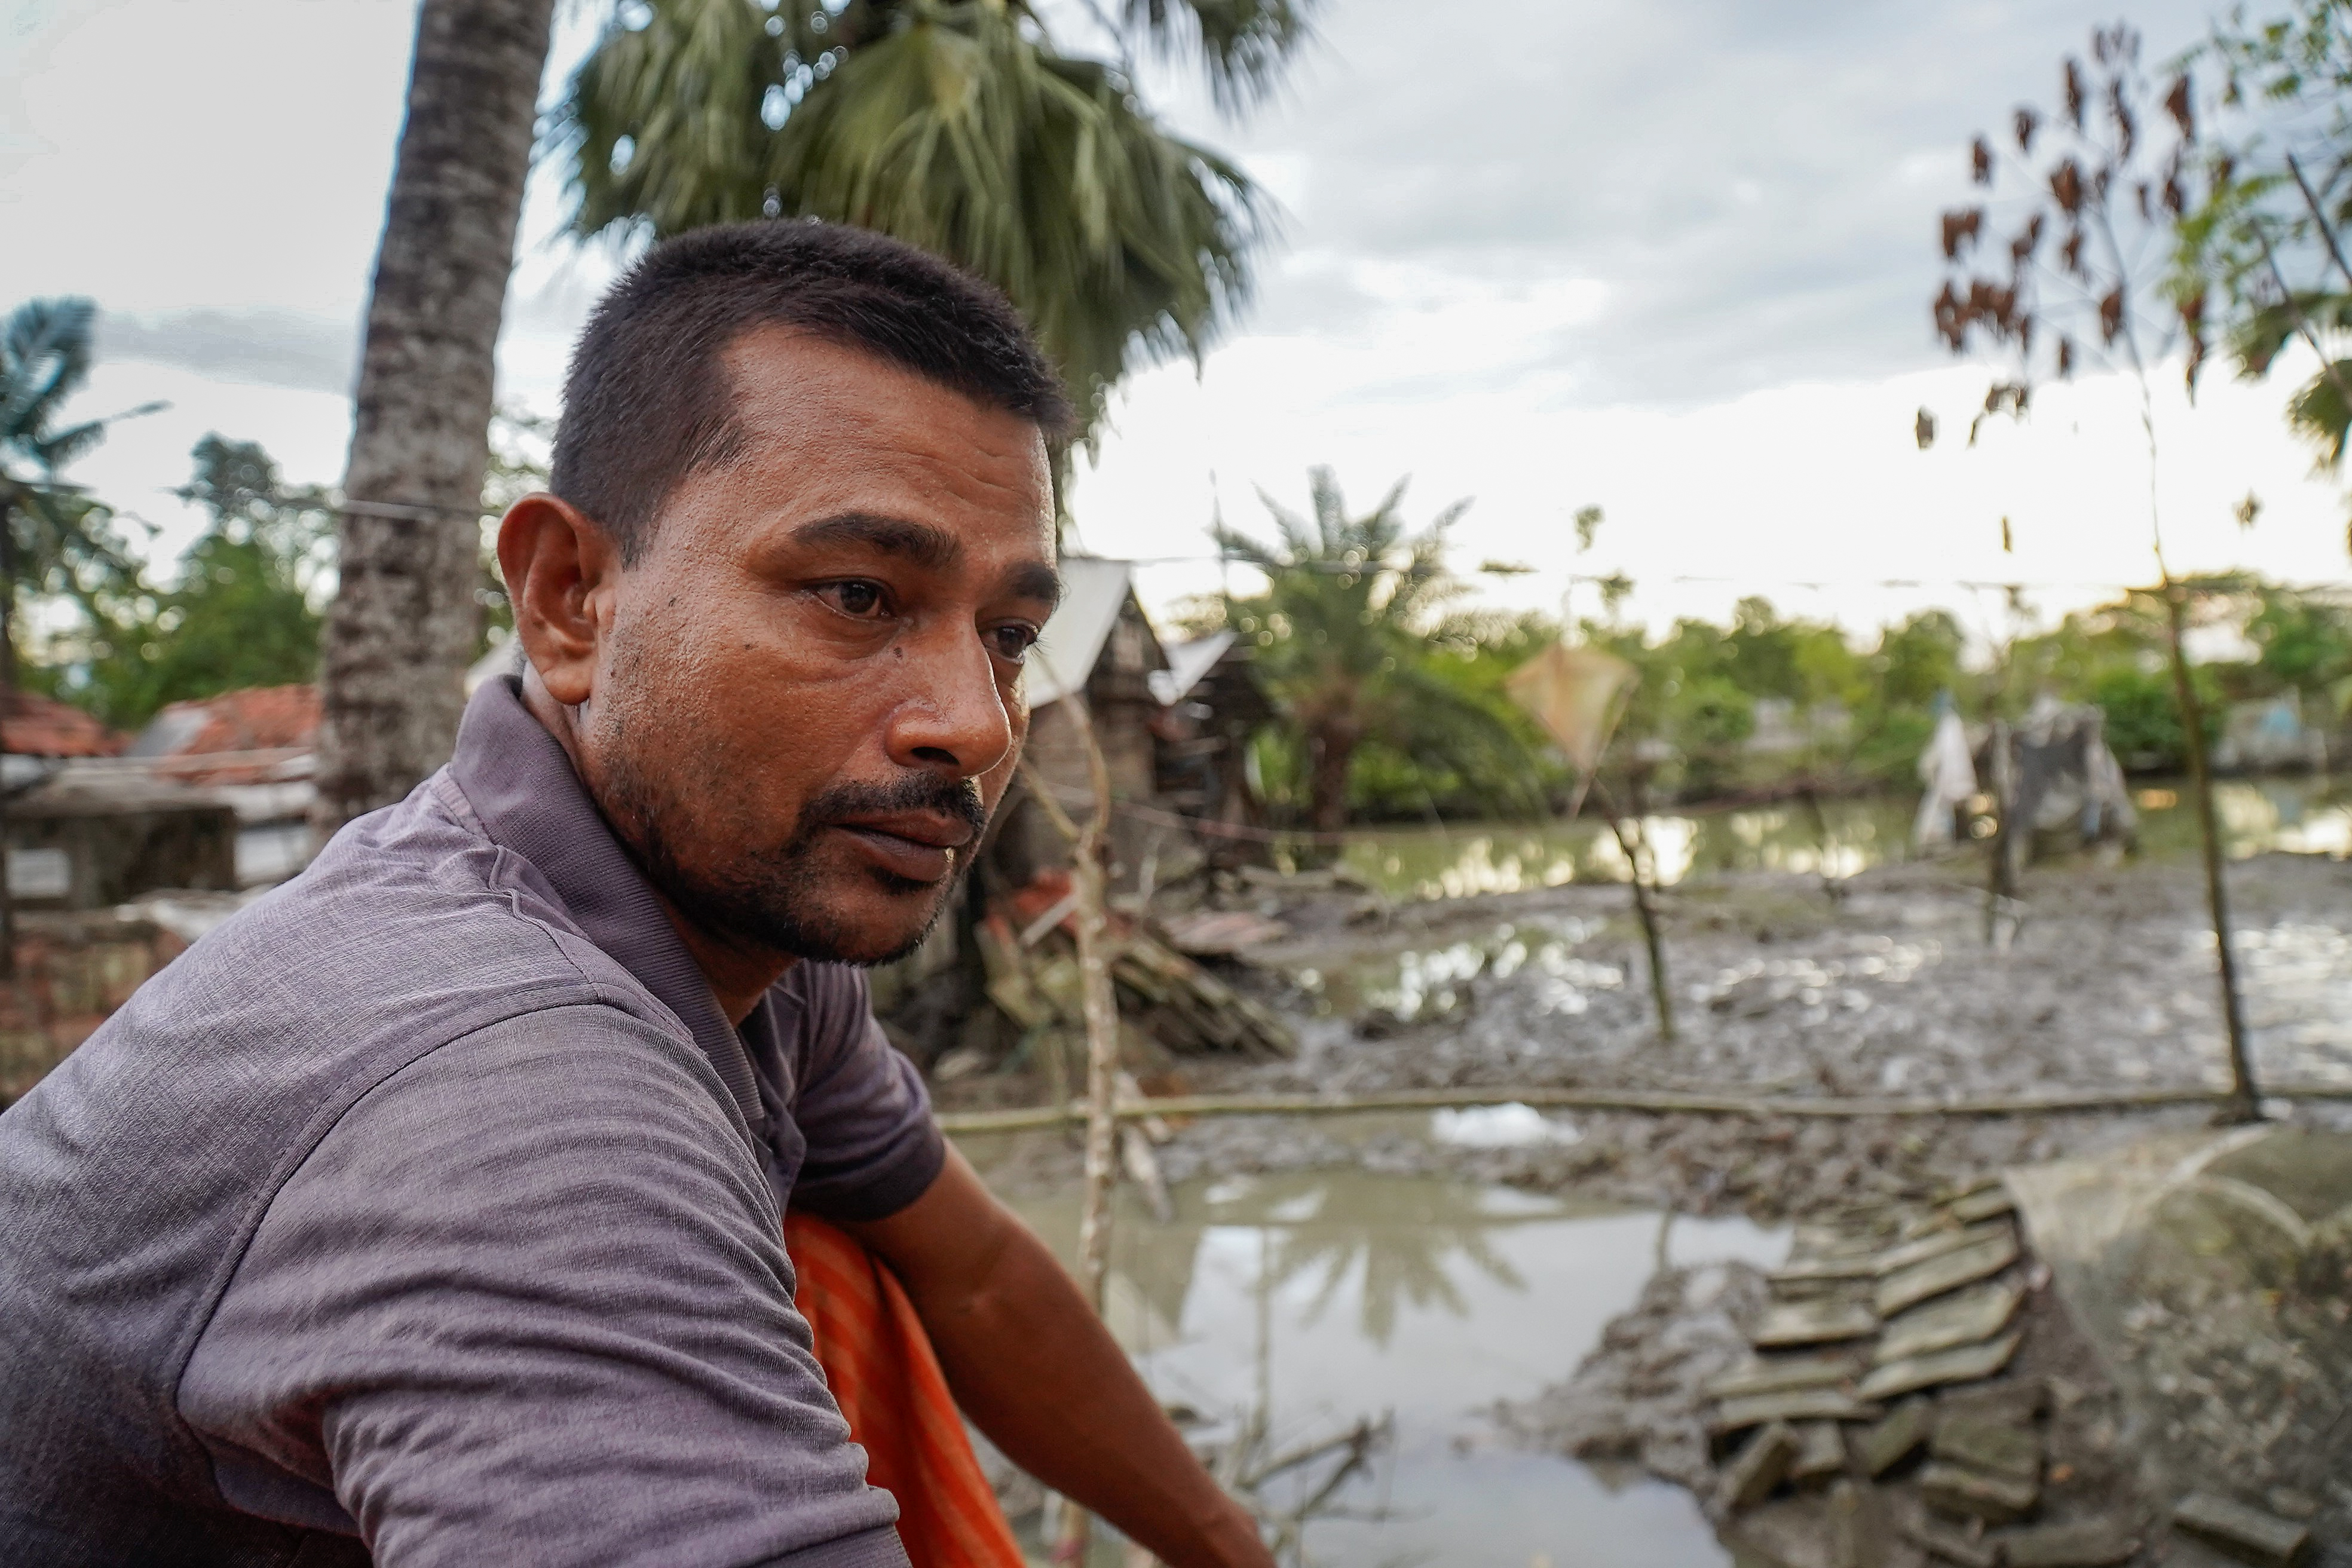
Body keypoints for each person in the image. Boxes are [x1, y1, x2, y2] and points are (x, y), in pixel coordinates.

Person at [0, 221, 1273, 1568]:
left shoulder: (750, 935)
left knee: (846, 1264)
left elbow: (980, 1276)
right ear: (569, 601)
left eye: (1009, 635)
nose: (975, 722)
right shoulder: (512, 1097)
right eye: (856, 594)